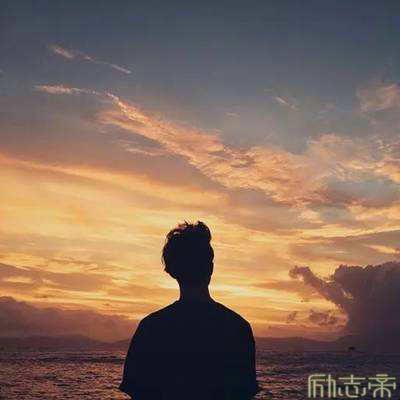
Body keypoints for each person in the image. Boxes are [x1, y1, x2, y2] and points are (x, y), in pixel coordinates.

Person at [120, 221, 259, 400]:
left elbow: (138, 391)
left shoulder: (151, 328)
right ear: (211, 268)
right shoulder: (237, 328)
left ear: (171, 271)